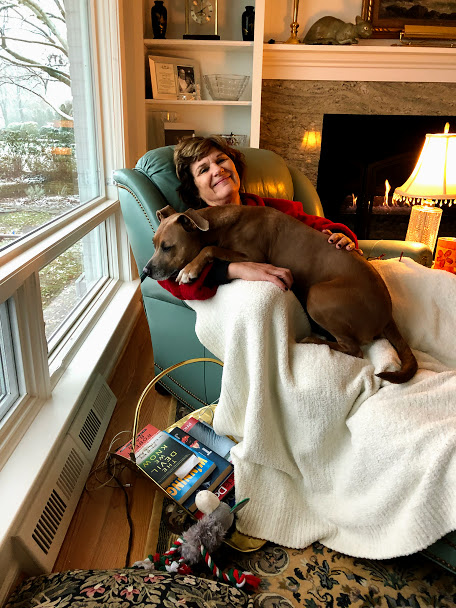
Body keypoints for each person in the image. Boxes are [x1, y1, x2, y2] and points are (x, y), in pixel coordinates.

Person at [157, 135, 361, 301]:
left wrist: (340, 237)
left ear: (235, 166)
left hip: (318, 294)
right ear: (194, 189)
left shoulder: (275, 209)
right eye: (203, 169)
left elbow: (321, 226)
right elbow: (175, 283)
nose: (218, 170)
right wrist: (233, 269)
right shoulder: (192, 229)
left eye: (221, 160)